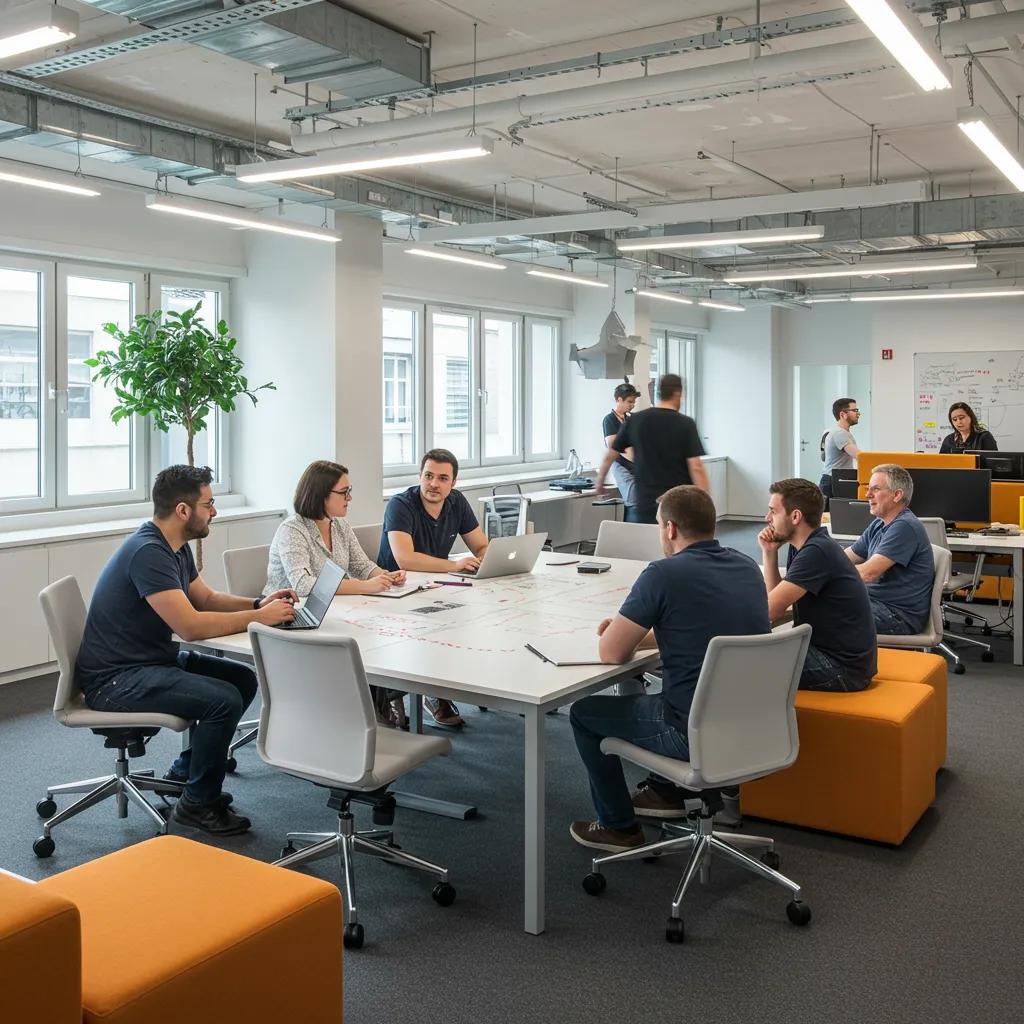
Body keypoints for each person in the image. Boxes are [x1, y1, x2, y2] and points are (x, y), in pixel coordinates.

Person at [75, 465, 298, 836]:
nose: (214, 512)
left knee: (241, 679)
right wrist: (260, 617)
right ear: (183, 510)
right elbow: (191, 627)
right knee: (222, 701)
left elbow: (206, 598)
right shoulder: (148, 552)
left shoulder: (173, 547)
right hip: (116, 681)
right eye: (209, 505)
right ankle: (198, 805)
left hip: (147, 661)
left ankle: (186, 773)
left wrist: (259, 601)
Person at [568, 485, 770, 852]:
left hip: (690, 730)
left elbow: (611, 654)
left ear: (671, 529)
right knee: (659, 692)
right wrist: (641, 636)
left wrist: (619, 632)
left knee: (584, 713)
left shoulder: (663, 573)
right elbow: (700, 631)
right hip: (756, 724)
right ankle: (666, 792)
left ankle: (618, 827)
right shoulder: (747, 566)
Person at [266, 459, 410, 728]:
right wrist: (365, 587)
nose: (350, 498)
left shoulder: (339, 525)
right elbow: (303, 585)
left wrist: (384, 575)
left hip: (331, 614)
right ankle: (368, 718)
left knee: (379, 635)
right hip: (291, 622)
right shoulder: (292, 529)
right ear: (321, 494)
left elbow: (360, 565)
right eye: (344, 492)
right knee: (363, 643)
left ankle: (374, 714)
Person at [377, 448, 489, 728]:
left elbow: (481, 545)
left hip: (436, 585)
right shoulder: (400, 505)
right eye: (428, 476)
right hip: (397, 591)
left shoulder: (456, 502)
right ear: (420, 476)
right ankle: (405, 693)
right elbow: (406, 559)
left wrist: (486, 560)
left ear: (454, 483)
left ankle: (438, 691)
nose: (434, 484)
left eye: (442, 478)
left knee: (469, 621)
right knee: (431, 630)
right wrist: (456, 565)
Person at [760, 478, 877, 692]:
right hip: (832, 656)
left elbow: (770, 610)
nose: (767, 518)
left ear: (795, 516)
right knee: (749, 656)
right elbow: (777, 597)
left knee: (739, 664)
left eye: (773, 512)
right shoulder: (808, 546)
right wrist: (769, 554)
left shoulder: (816, 552)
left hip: (842, 669)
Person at [594, 373, 708, 525]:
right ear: (678, 393)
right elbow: (696, 466)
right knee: (677, 543)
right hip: (677, 501)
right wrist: (705, 499)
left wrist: (600, 481)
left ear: (659, 393)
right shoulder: (685, 424)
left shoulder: (635, 420)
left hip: (646, 500)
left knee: (646, 543)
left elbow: (611, 455)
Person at [845, 463, 934, 635]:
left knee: (823, 611)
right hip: (876, 603)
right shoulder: (879, 524)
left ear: (897, 495)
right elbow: (845, 557)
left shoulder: (904, 526)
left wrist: (828, 574)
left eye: (875, 489)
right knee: (817, 602)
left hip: (897, 615)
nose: (867, 495)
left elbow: (868, 574)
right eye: (868, 488)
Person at [602, 382, 640, 521]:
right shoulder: (609, 420)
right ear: (619, 400)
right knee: (633, 499)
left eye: (634, 402)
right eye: (630, 401)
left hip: (633, 464)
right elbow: (614, 445)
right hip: (620, 464)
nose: (632, 405)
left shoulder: (630, 419)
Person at [820, 397, 861, 507]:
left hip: (831, 479)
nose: (858, 414)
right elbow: (859, 456)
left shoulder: (830, 431)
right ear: (843, 414)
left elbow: (823, 457)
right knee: (831, 518)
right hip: (834, 481)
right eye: (855, 410)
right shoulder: (839, 433)